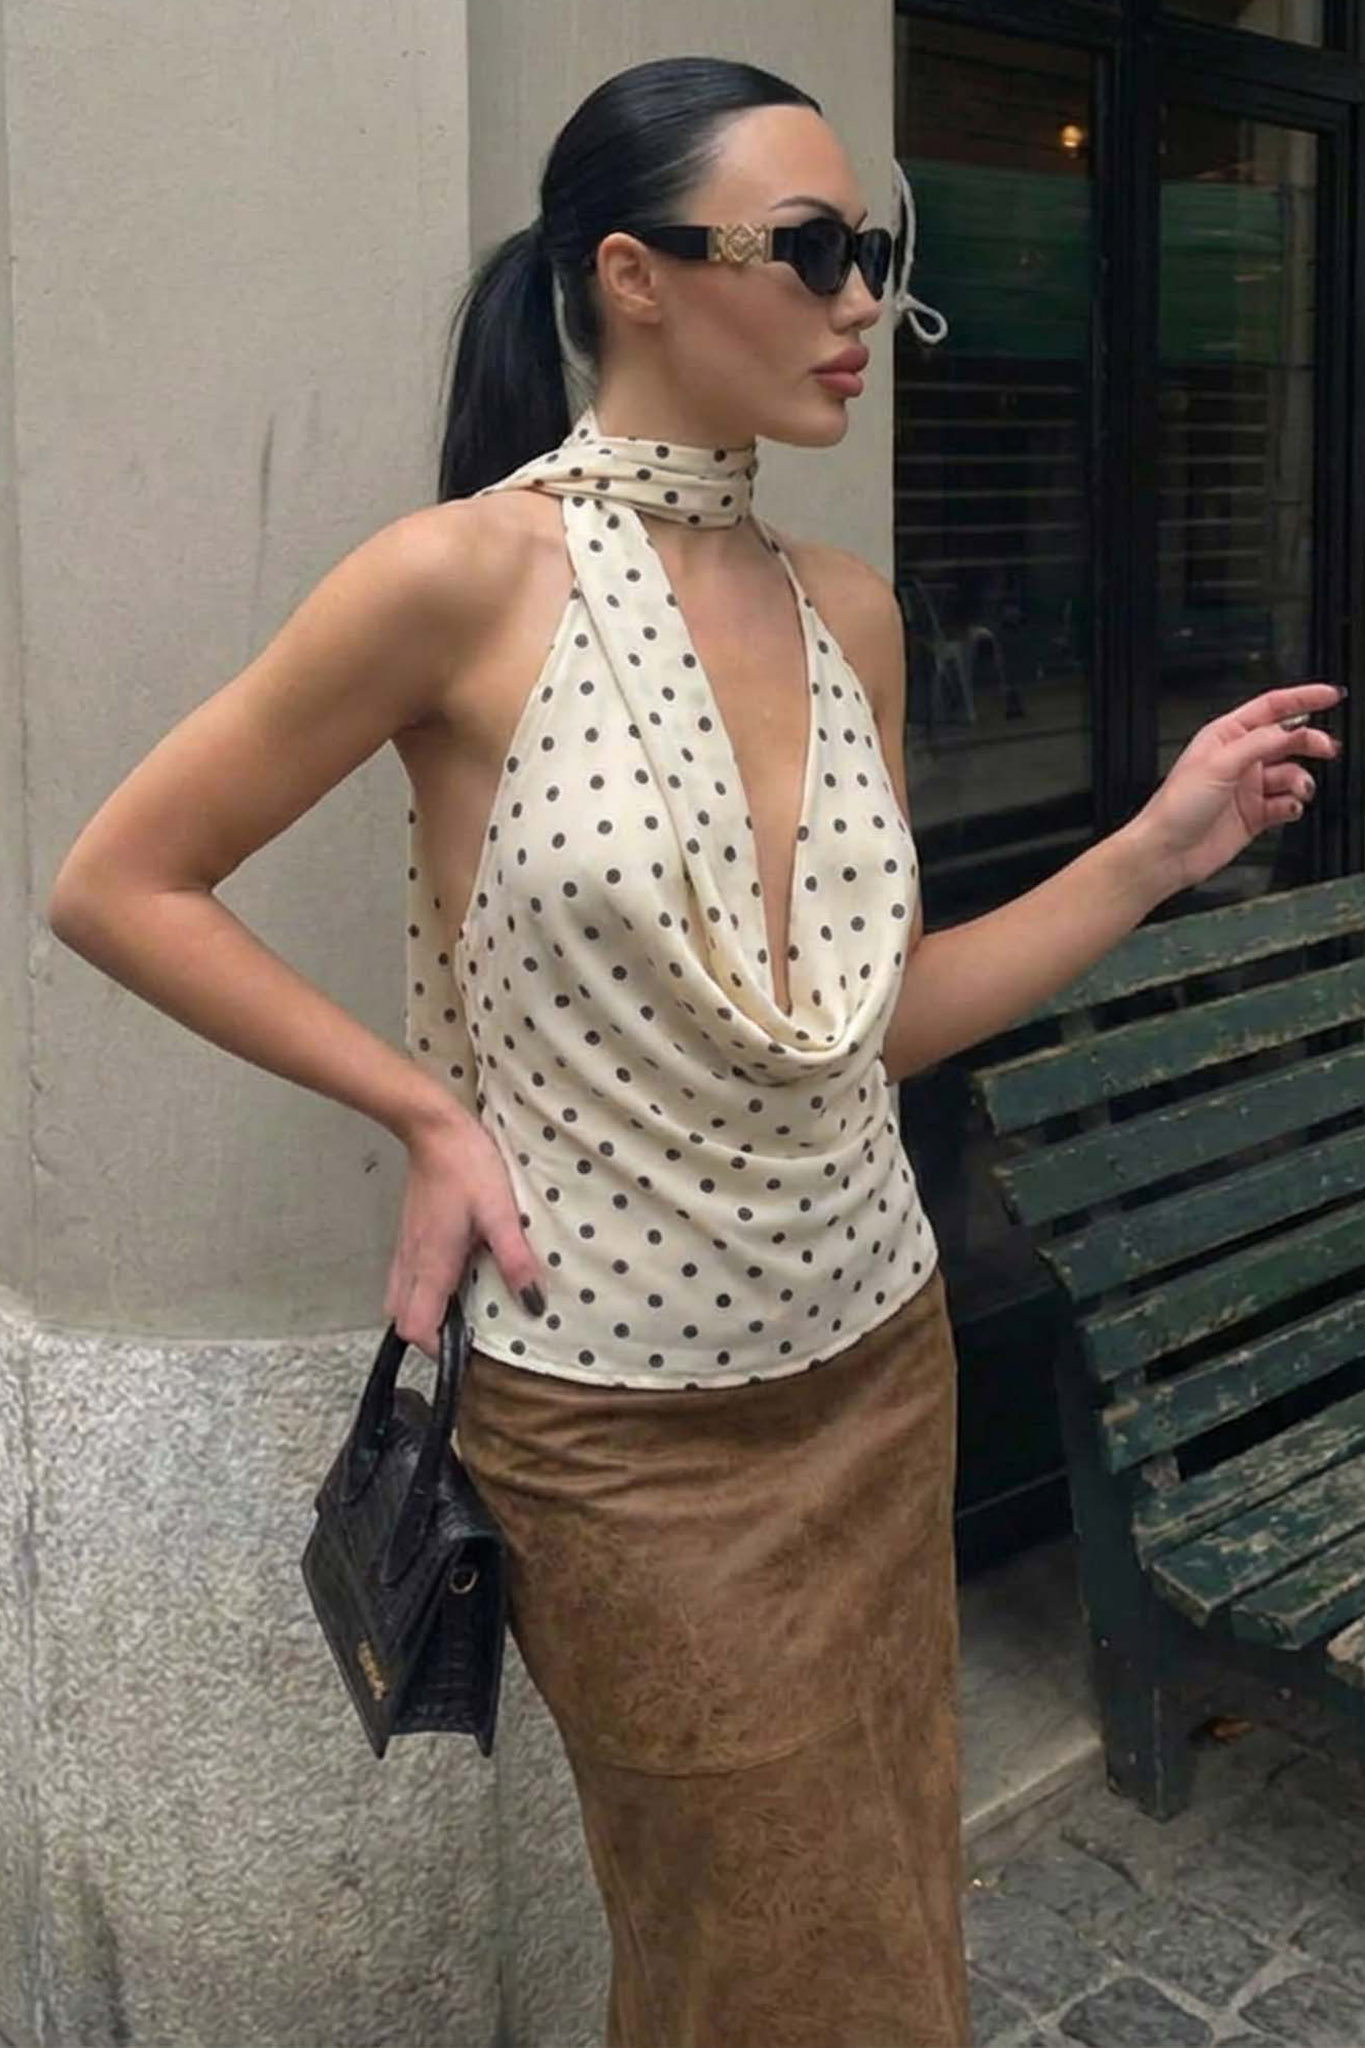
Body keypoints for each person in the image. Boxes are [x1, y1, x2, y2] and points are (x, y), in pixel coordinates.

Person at [46, 52, 1341, 2048]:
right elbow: (123, 882)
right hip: (622, 1429)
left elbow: (871, 1027)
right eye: (810, 250)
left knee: (876, 1895)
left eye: (873, 252)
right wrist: (425, 1111)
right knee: (751, 1944)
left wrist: (1159, 848)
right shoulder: (458, 578)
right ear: (633, 275)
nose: (866, 302)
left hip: (877, 1361)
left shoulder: (848, 611)